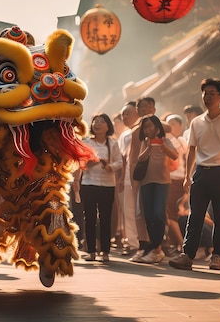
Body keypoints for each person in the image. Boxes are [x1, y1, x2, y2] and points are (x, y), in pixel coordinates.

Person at [169, 78, 220, 271]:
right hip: (201, 173)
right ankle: (188, 255)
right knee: (196, 216)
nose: (207, 97)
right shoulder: (196, 122)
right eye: (205, 93)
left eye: (212, 93)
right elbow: (191, 150)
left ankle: (217, 256)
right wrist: (187, 175)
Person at [75, 113, 122, 262]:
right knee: (89, 218)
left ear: (108, 126)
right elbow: (81, 163)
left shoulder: (112, 144)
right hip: (89, 184)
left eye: (101, 122)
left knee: (105, 218)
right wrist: (95, 161)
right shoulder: (87, 142)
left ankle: (105, 251)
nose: (97, 124)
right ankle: (91, 251)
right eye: (95, 122)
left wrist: (110, 167)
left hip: (108, 185)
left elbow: (119, 162)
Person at [136, 115, 178, 263]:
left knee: (158, 214)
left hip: (163, 182)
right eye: (145, 127)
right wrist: (149, 147)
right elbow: (140, 159)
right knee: (148, 216)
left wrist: (163, 147)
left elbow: (175, 155)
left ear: (157, 127)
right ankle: (156, 249)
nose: (147, 130)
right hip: (146, 182)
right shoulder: (144, 142)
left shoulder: (166, 141)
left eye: (150, 126)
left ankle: (154, 247)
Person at [117, 102, 140, 255]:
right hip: (126, 179)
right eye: (123, 114)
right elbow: (121, 159)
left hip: (142, 178)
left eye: (128, 113)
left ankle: (146, 243)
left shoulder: (145, 131)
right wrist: (120, 179)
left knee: (141, 212)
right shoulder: (124, 135)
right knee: (129, 212)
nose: (125, 117)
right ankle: (133, 243)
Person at [164, 114, 188, 256]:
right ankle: (176, 244)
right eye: (167, 124)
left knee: (171, 213)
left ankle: (181, 244)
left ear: (180, 126)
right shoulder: (174, 140)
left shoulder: (178, 141)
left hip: (176, 179)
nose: (169, 127)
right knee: (172, 213)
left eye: (172, 124)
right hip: (172, 179)